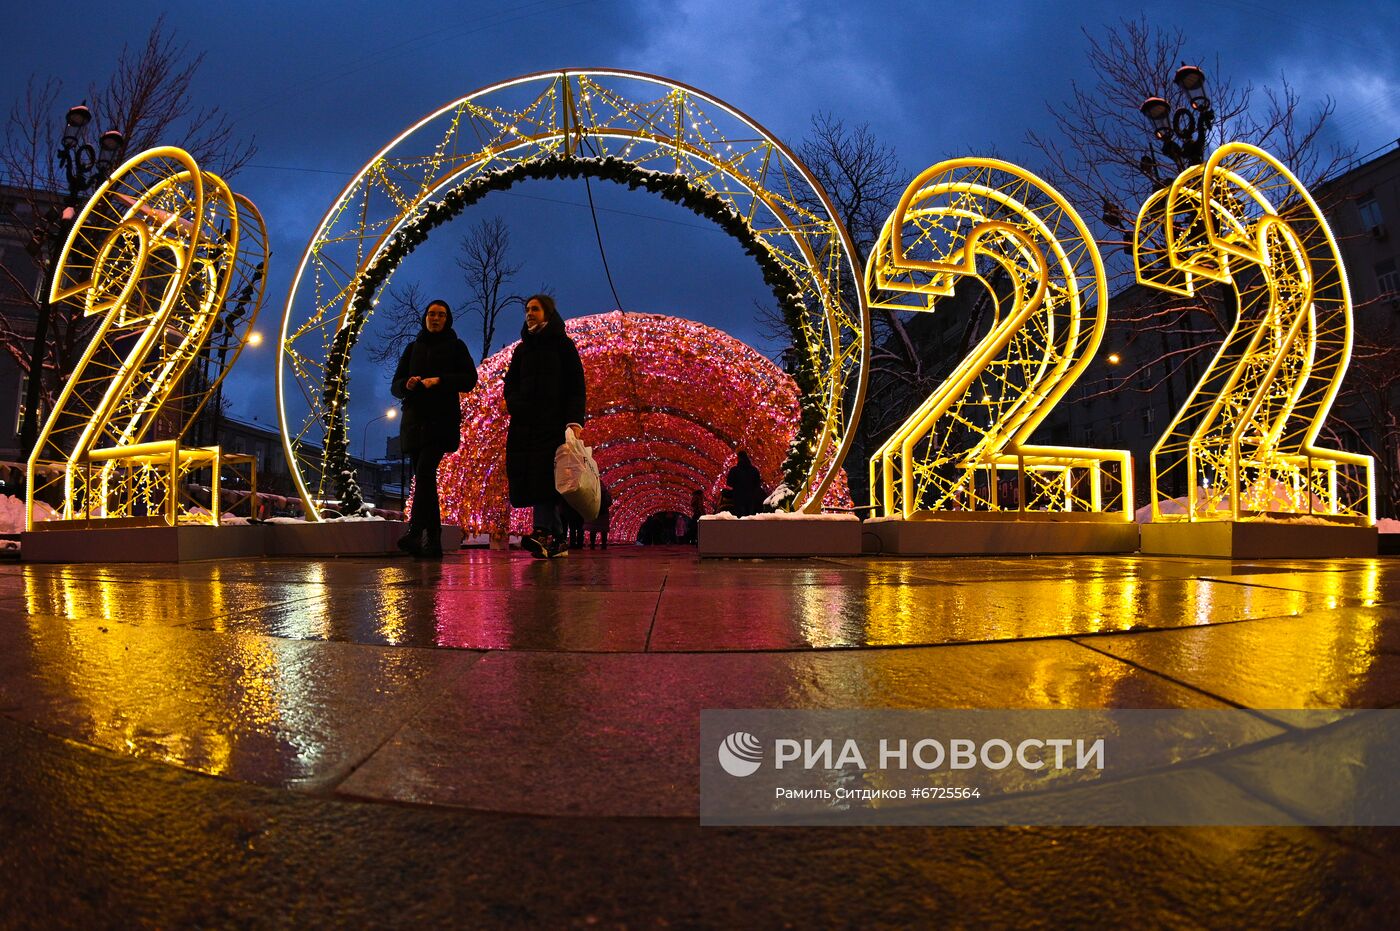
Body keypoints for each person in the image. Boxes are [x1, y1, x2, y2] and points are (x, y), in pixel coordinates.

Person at [391, 299, 478, 557]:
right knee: (425, 480)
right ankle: (434, 542)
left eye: (440, 314)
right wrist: (407, 383)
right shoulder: (413, 347)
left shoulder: (456, 346)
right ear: (425, 318)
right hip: (414, 421)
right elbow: (395, 384)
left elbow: (469, 379)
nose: (435, 318)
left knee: (426, 472)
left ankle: (416, 531)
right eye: (431, 314)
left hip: (441, 420)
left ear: (447, 318)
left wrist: (440, 381)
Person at [504, 293, 587, 559]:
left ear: (548, 314)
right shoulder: (521, 350)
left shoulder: (563, 346)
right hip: (525, 425)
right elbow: (510, 386)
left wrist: (574, 422)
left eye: (535, 309)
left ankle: (541, 532)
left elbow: (576, 386)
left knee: (545, 477)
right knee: (533, 478)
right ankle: (559, 539)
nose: (529, 313)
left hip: (553, 424)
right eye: (527, 309)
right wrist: (516, 405)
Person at [725, 450, 766, 517]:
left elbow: (729, 483)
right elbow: (757, 484)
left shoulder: (734, 470)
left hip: (738, 496)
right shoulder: (754, 470)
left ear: (738, 458)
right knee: (750, 517)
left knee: (740, 517)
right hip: (752, 497)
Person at [585, 483, 612, 549]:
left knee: (593, 530)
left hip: (595, 511)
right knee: (604, 530)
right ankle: (604, 545)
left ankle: (592, 544)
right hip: (604, 513)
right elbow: (609, 502)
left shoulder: (593, 492)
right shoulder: (606, 493)